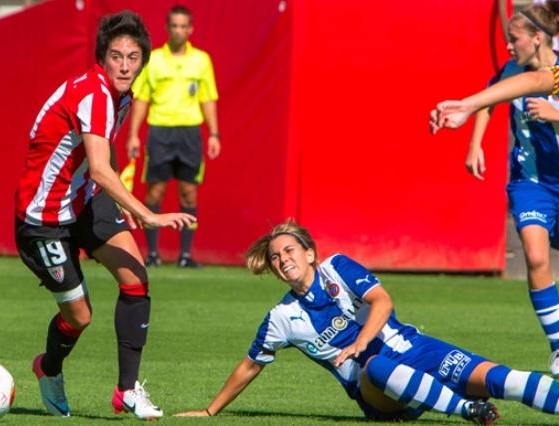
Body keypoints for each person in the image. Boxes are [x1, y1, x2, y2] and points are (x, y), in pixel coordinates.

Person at [175, 221, 559, 424]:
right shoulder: (282, 318)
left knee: (501, 379)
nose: (282, 259)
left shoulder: (338, 267)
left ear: (309, 253)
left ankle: (479, 399)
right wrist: (211, 411)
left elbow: (382, 300)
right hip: (377, 391)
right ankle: (468, 411)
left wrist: (360, 341)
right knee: (375, 366)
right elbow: (250, 364)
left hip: (416, 349)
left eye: (289, 250)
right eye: (275, 257)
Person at [14, 11, 196, 420]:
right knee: (79, 316)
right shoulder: (94, 94)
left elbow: (98, 164)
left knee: (136, 278)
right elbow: (99, 166)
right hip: (42, 218)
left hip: (84, 200)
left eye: (133, 57)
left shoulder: (122, 96)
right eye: (116, 56)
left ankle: (127, 392)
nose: (126, 65)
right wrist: (144, 212)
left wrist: (116, 202)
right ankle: (48, 368)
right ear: (102, 58)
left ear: (143, 60)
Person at [433, 1, 559, 377]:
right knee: (535, 256)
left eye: (513, 39)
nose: (508, 46)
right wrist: (472, 127)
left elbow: (540, 80)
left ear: (538, 38)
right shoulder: (513, 70)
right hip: (532, 183)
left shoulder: (552, 69)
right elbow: (505, 91)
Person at [126, 4, 220, 268]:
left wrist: (214, 134)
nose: (178, 30)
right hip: (160, 131)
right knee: (154, 191)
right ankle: (152, 253)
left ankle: (185, 255)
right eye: (174, 26)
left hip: (190, 132)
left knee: (189, 193)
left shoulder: (201, 60)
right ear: (167, 28)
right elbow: (142, 98)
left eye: (183, 26)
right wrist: (133, 135)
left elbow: (208, 98)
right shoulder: (153, 59)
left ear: (190, 29)